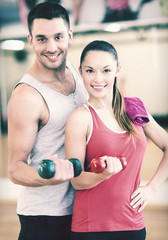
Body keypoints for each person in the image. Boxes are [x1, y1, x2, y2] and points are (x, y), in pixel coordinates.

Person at [65, 40, 168, 240]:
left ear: (117, 70)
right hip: (91, 228)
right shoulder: (80, 118)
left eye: (106, 70)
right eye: (90, 71)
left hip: (133, 223)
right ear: (81, 72)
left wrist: (152, 187)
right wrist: (103, 175)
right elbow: (76, 180)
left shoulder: (134, 108)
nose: (98, 78)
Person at [8, 2, 87, 240]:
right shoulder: (27, 96)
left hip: (82, 210)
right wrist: (47, 177)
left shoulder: (77, 72)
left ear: (70, 36)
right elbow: (15, 169)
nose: (51, 47)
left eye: (58, 37)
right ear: (31, 40)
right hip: (45, 217)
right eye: (42, 39)